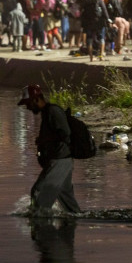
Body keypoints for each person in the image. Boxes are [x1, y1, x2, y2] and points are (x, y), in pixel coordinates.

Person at [17, 84, 81, 214]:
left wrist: (44, 140)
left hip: (60, 160)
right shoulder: (47, 113)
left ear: (36, 99)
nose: (28, 107)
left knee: (38, 192)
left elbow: (66, 134)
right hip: (60, 161)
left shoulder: (53, 111)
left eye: (28, 103)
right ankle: (72, 223)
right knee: (67, 203)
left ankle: (40, 225)